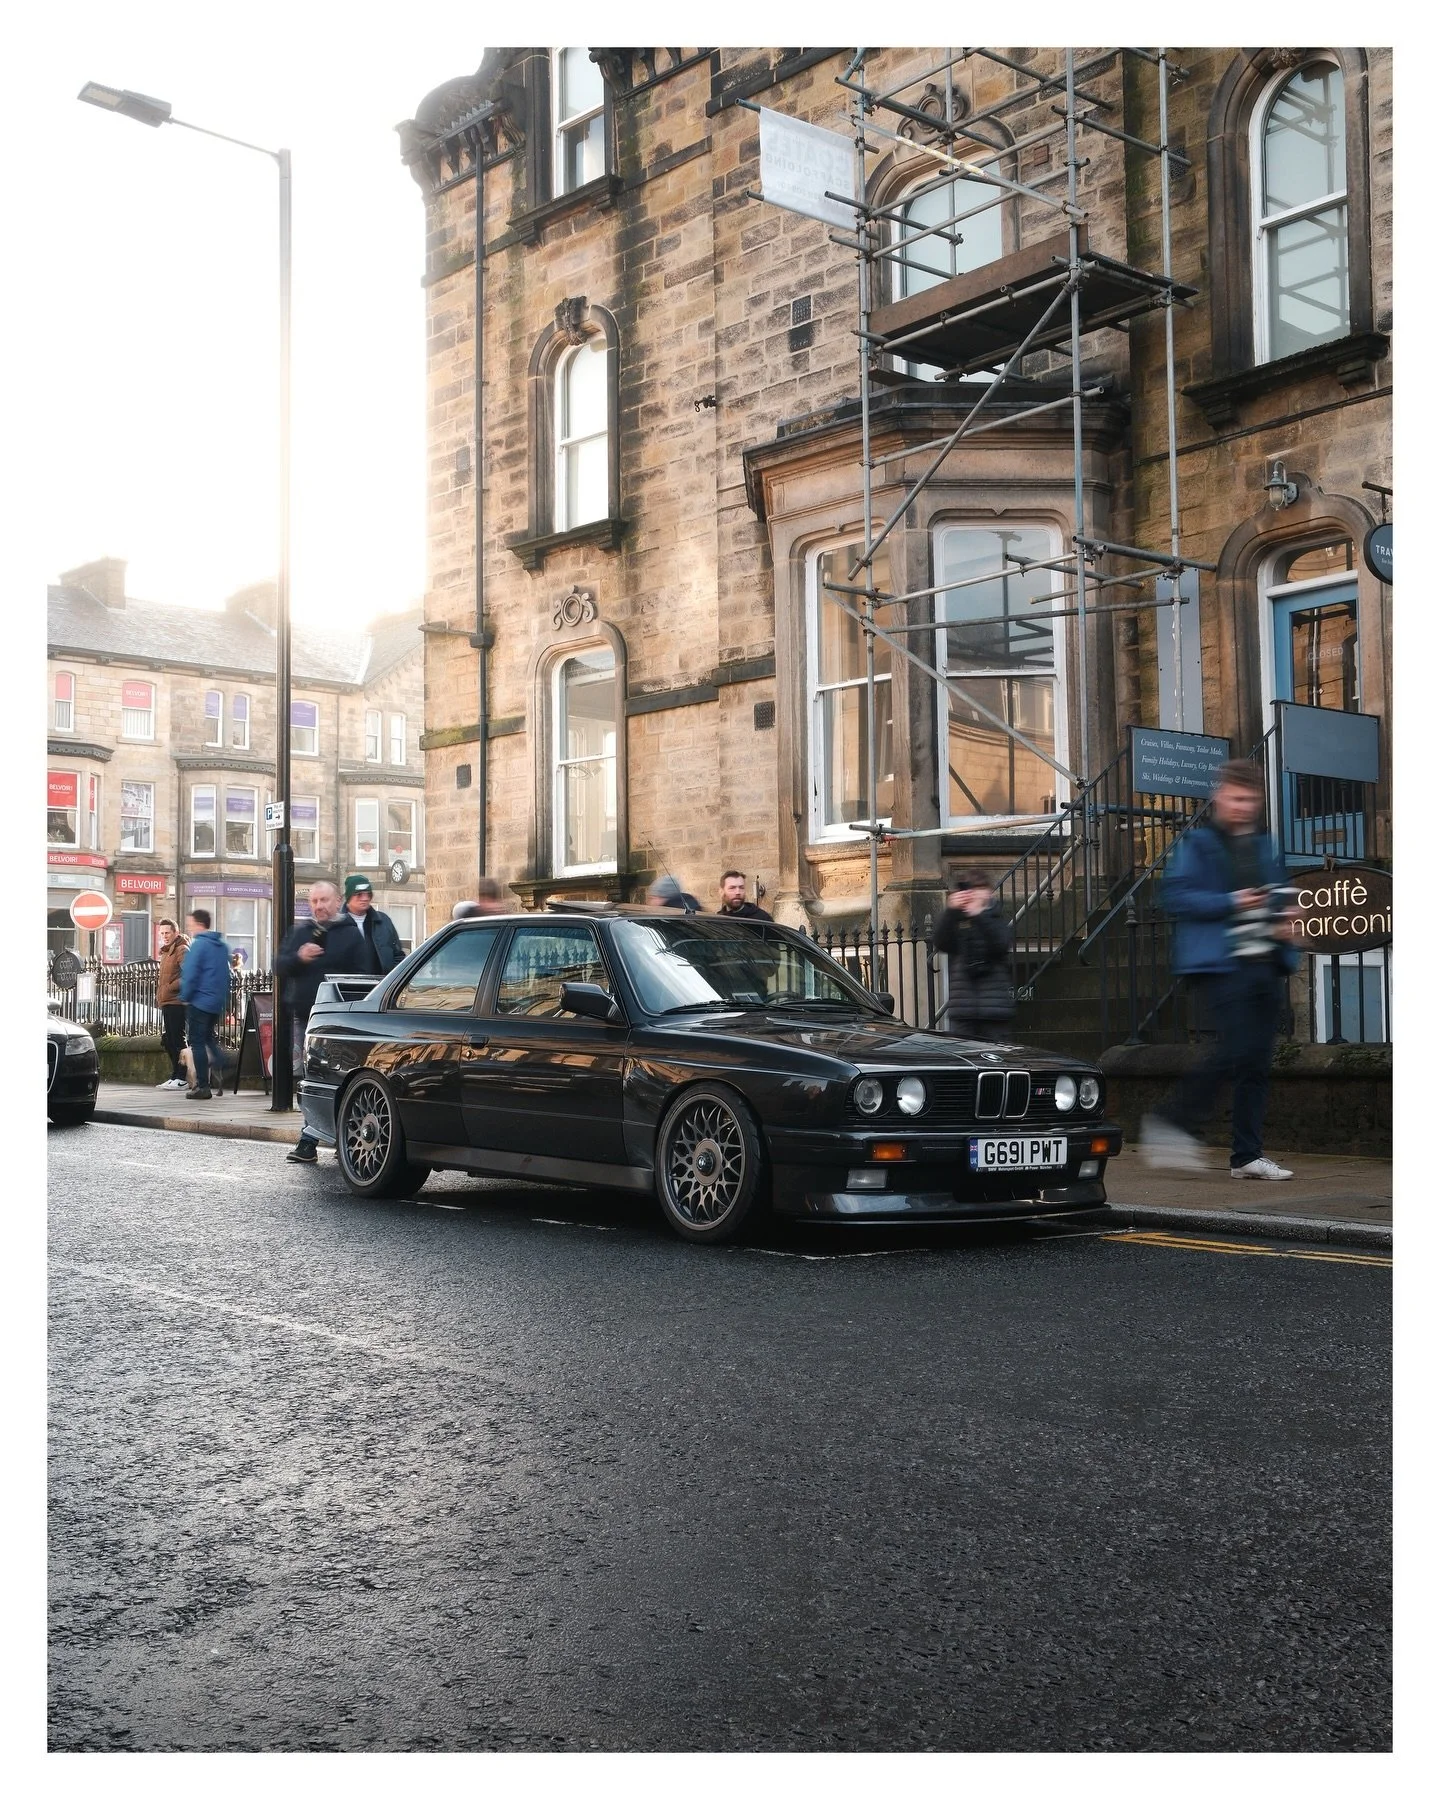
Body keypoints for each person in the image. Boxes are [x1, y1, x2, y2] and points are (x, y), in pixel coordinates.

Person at [1141, 759, 1300, 1180]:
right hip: (1222, 964)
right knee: (1235, 1049)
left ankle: (1246, 1156)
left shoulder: (1263, 844)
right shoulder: (1199, 844)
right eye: (1236, 799)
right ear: (1219, 797)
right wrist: (1233, 902)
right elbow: (1176, 897)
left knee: (1257, 1062)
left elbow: (1280, 891)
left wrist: (1286, 914)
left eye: (1250, 800)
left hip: (1265, 962)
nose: (1243, 807)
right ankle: (1171, 1121)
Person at [275, 880, 344, 1165]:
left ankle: (340, 1139)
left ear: (337, 901)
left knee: (342, 1080)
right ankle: (308, 1140)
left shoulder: (347, 932)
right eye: (314, 901)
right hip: (309, 1018)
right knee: (311, 1078)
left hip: (342, 1017)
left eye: (324, 900)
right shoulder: (301, 931)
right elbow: (279, 965)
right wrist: (299, 957)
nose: (319, 906)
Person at [930, 870, 1014, 1041]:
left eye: (978, 888)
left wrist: (979, 915)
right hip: (963, 1012)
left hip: (993, 1012)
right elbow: (942, 942)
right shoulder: (959, 920)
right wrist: (951, 912)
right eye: (969, 889)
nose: (972, 893)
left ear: (988, 893)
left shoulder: (996, 916)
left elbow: (1000, 944)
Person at [178, 909, 231, 1099]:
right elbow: (227, 976)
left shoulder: (199, 945)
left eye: (191, 923)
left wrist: (185, 995)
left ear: (199, 924)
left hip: (199, 1001)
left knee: (197, 1042)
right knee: (208, 1037)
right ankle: (220, 1060)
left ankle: (203, 1086)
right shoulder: (222, 947)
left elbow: (191, 974)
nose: (189, 927)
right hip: (216, 1001)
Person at [326, 875, 406, 976]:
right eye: (359, 894)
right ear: (349, 897)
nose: (365, 898)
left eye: (368, 894)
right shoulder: (335, 924)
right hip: (347, 987)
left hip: (381, 986)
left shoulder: (383, 921)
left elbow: (398, 956)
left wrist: (391, 980)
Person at [154, 918, 190, 1090]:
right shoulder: (166, 952)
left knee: (177, 1039)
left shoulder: (181, 949)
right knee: (168, 1039)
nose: (164, 936)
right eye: (162, 933)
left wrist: (170, 987)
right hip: (167, 1001)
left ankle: (182, 1077)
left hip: (177, 1001)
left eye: (167, 932)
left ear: (176, 932)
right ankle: (175, 1074)